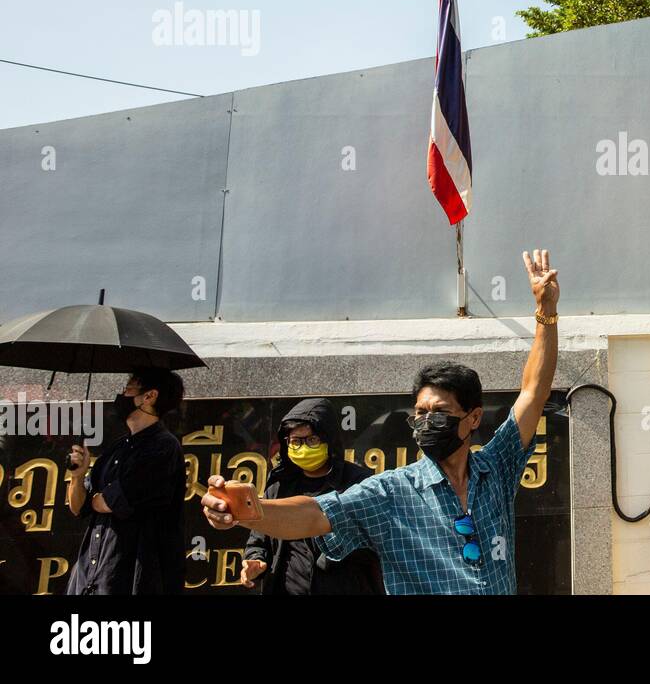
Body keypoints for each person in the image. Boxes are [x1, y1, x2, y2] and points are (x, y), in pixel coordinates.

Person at [202, 248, 559, 595]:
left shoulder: (496, 469)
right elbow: (315, 514)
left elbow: (533, 392)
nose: (426, 422)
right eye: (420, 413)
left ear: (473, 418)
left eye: (440, 412)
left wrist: (545, 311)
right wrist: (253, 511)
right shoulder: (390, 492)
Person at [240, 398, 384, 595]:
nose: (303, 448)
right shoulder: (280, 486)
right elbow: (258, 536)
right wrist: (255, 560)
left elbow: (373, 541)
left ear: (329, 440)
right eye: (296, 442)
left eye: (312, 440)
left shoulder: (358, 483)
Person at [64, 368, 187, 595]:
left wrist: (99, 499)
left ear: (149, 396)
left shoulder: (163, 447)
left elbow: (114, 501)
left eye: (129, 389)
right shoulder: (118, 447)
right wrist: (78, 475)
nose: (122, 396)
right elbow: (79, 506)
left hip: (129, 579)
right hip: (92, 578)